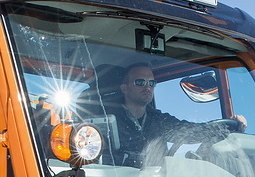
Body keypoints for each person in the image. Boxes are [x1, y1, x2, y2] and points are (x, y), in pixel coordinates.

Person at [103, 62, 242, 167]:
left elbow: (191, 132)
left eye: (151, 83)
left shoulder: (159, 120)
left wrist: (227, 127)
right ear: (124, 88)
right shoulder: (106, 120)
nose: (147, 87)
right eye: (140, 82)